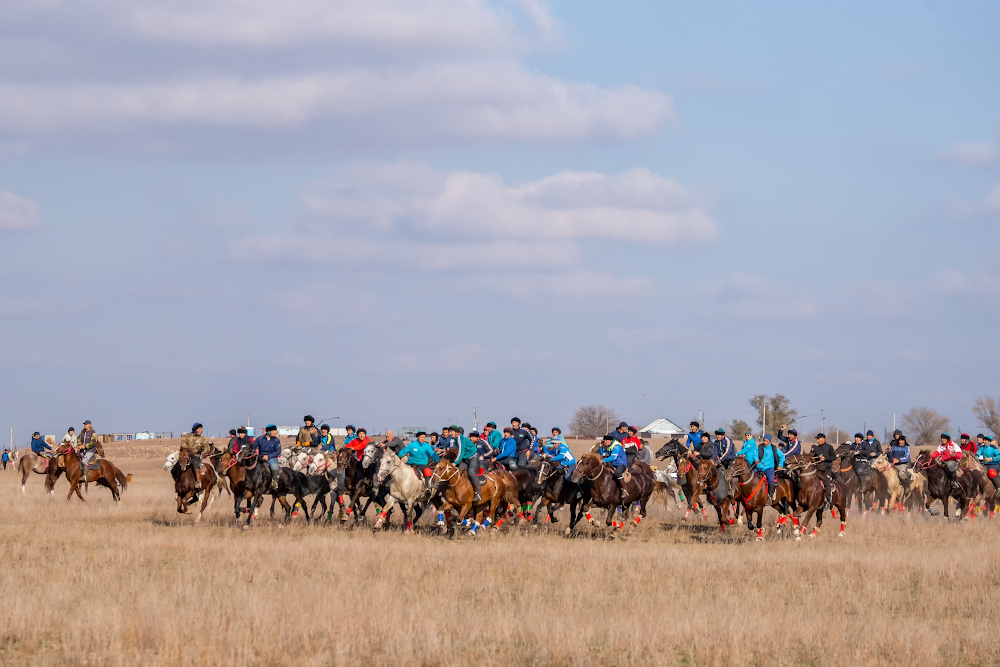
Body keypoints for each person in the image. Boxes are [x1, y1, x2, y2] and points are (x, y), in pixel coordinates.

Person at [742, 433, 784, 502]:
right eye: (764, 440)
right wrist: (756, 459)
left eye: (767, 441)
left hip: (769, 468)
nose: (765, 442)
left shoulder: (774, 448)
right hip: (759, 467)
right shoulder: (759, 447)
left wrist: (780, 465)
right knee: (749, 476)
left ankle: (769, 498)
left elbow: (782, 456)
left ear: (770, 441)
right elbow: (755, 454)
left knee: (771, 480)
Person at [181, 423, 214, 488]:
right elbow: (183, 444)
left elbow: (207, 447)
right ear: (195, 430)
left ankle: (198, 482)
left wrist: (201, 450)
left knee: (196, 463)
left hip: (195, 456)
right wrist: (190, 449)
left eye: (201, 429)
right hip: (185, 455)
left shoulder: (202, 438)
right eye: (200, 429)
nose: (201, 431)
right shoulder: (187, 436)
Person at [453, 427, 481, 502]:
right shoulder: (456, 439)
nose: (450, 434)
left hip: (473, 457)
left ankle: (478, 493)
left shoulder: (460, 438)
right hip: (466, 459)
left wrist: (455, 463)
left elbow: (461, 452)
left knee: (471, 472)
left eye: (451, 432)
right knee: (459, 472)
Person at [598, 434, 627, 500]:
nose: (605, 442)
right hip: (613, 464)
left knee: (617, 474)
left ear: (610, 440)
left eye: (606, 441)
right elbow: (603, 454)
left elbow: (612, 457)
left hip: (621, 464)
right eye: (604, 441)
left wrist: (602, 461)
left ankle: (624, 490)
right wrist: (600, 447)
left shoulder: (616, 446)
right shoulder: (609, 446)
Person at [254, 424, 282, 490]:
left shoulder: (276, 440)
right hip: (260, 458)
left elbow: (278, 451)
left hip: (272, 458)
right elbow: (253, 447)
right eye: (273, 431)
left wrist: (268, 456)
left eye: (275, 431)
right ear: (268, 432)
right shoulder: (259, 439)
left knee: (273, 466)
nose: (275, 432)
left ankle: (275, 482)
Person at [811, 433, 836, 506]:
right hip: (817, 468)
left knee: (827, 483)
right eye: (817, 439)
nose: (817, 440)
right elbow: (813, 457)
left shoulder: (829, 447)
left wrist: (825, 458)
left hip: (826, 469)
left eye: (818, 439)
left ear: (823, 439)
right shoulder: (816, 448)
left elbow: (833, 457)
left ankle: (828, 500)